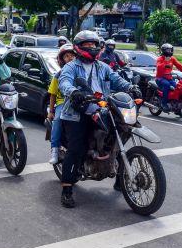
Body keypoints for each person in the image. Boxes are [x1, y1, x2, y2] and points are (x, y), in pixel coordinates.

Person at [57, 30, 140, 208]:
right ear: (78, 47)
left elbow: (117, 80)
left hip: (102, 108)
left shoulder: (102, 66)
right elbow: (64, 82)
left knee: (119, 136)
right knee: (76, 148)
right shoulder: (71, 66)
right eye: (87, 45)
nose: (91, 48)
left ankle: (120, 179)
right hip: (76, 111)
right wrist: (74, 92)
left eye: (94, 45)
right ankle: (67, 189)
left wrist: (131, 87)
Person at [47, 43, 75, 165]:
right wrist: (51, 111)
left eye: (72, 56)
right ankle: (55, 149)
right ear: (61, 60)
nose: (70, 58)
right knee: (58, 120)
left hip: (78, 104)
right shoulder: (58, 76)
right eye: (67, 56)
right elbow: (52, 94)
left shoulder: (80, 72)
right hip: (62, 104)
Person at [155, 43, 182, 111]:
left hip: (169, 78)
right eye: (168, 50)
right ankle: (164, 103)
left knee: (177, 88)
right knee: (167, 85)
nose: (169, 51)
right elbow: (159, 67)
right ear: (164, 51)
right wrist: (165, 62)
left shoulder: (172, 58)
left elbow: (179, 65)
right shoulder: (160, 59)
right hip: (160, 78)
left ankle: (175, 105)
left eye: (170, 50)